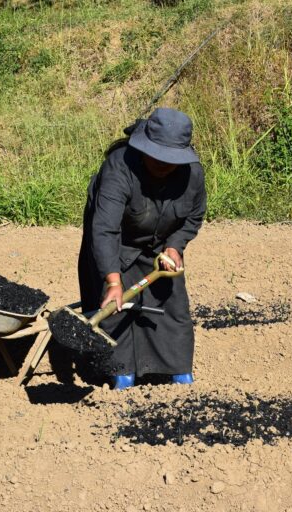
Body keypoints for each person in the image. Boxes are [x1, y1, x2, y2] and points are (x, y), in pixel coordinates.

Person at [77, 108, 207, 390]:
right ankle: (121, 373)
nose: (163, 164)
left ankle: (177, 371)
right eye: (157, 156)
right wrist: (112, 279)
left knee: (172, 305)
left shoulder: (192, 174)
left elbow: (193, 217)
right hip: (116, 240)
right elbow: (105, 229)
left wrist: (175, 246)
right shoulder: (119, 167)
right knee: (114, 305)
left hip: (161, 243)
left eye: (170, 159)